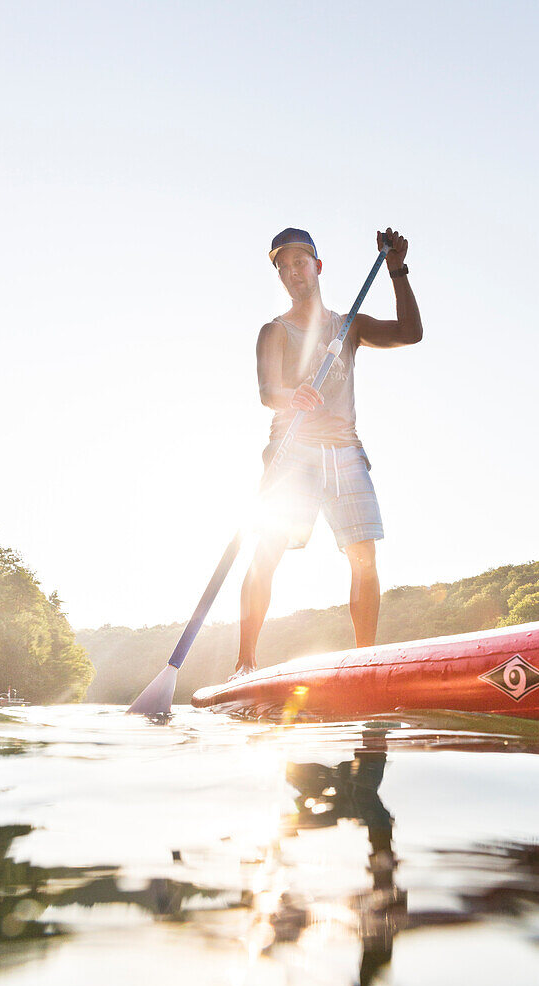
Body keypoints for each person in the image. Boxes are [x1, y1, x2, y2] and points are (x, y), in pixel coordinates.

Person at [235, 226, 422, 675]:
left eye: (300, 262)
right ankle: (244, 661)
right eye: (284, 267)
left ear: (317, 267)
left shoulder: (349, 325)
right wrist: (290, 395)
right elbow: (266, 389)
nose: (293, 272)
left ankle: (363, 661)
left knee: (364, 555)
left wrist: (397, 271)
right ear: (280, 277)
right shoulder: (274, 331)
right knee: (269, 551)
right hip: (292, 450)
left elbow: (411, 333)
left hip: (344, 449)